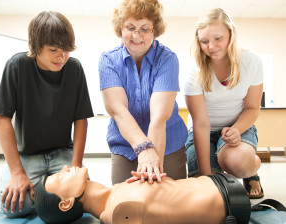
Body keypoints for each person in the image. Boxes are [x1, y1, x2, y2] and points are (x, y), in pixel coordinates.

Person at [0, 11, 94, 218]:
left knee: (82, 198)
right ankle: (43, 187)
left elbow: (80, 119)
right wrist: (17, 172)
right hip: (27, 154)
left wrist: (75, 166)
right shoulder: (17, 66)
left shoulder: (74, 68)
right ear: (35, 47)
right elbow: (1, 118)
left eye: (66, 50)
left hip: (62, 151)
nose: (62, 57)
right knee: (14, 207)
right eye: (54, 50)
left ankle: (46, 187)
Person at [98, 0, 188, 185]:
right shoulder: (108, 61)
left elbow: (159, 116)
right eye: (130, 27)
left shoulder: (167, 59)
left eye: (145, 29)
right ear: (120, 28)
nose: (136, 35)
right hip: (125, 145)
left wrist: (153, 160)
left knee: (166, 202)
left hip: (168, 141)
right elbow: (118, 111)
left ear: (155, 30)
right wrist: (144, 148)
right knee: (126, 204)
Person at [183, 8, 264, 199]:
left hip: (238, 126)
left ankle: (252, 169)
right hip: (203, 130)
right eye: (204, 41)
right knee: (203, 185)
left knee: (239, 164)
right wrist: (207, 177)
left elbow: (252, 107)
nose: (211, 46)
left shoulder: (252, 62)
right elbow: (201, 124)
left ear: (231, 34)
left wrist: (236, 129)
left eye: (218, 38)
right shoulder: (194, 71)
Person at [35, 165, 251, 224]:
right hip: (229, 200)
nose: (65, 168)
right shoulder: (120, 213)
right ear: (66, 203)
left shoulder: (116, 194)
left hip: (219, 184)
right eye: (60, 177)